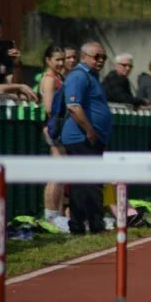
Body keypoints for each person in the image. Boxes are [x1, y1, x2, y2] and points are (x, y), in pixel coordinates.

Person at [60, 42, 112, 234]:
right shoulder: (79, 75)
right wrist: (90, 130)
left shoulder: (92, 76)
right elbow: (73, 106)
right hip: (80, 137)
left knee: (83, 183)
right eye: (96, 56)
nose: (100, 60)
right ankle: (95, 224)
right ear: (84, 57)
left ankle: (79, 224)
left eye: (103, 57)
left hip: (89, 138)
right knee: (91, 182)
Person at [37, 45, 68, 224]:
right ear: (48, 60)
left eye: (62, 59)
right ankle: (50, 216)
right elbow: (49, 108)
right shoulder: (49, 79)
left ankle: (59, 215)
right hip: (53, 128)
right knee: (56, 172)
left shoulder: (59, 77)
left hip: (59, 128)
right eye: (57, 59)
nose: (61, 63)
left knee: (61, 173)